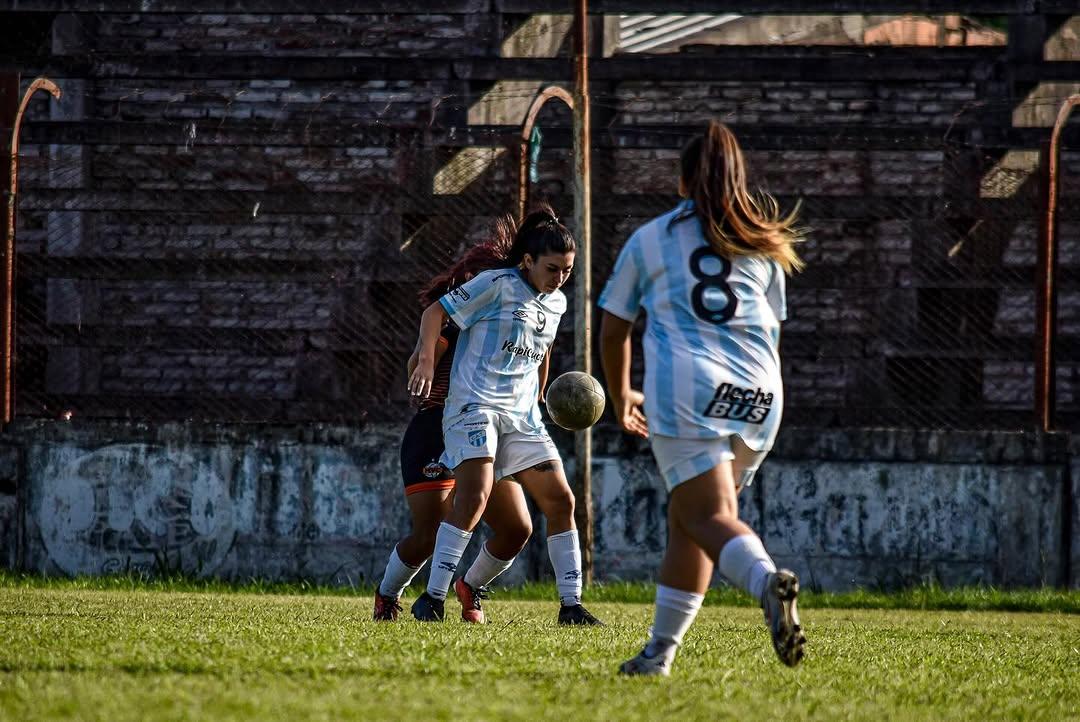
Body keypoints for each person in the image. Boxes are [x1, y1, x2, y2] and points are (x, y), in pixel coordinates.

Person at [598, 120, 807, 675]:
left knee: (707, 514)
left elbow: (614, 326)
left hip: (690, 388)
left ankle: (767, 585)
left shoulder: (652, 238)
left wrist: (621, 396)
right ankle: (656, 656)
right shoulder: (765, 244)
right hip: (762, 391)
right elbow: (773, 330)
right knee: (688, 517)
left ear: (684, 181)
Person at [407, 207, 602, 626]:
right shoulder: (496, 284)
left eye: (567, 270)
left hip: (523, 416)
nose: (560, 278)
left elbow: (543, 350)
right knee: (474, 496)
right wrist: (425, 362)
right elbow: (434, 313)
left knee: (561, 500)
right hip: (473, 406)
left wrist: (543, 399)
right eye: (553, 268)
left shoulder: (558, 302)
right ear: (527, 261)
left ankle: (571, 606)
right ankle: (432, 599)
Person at [374, 229, 534, 624]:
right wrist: (425, 360)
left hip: (489, 427)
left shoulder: (516, 323)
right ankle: (388, 594)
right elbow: (415, 366)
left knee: (517, 527)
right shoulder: (453, 321)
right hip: (436, 429)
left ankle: (471, 586)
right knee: (427, 534)